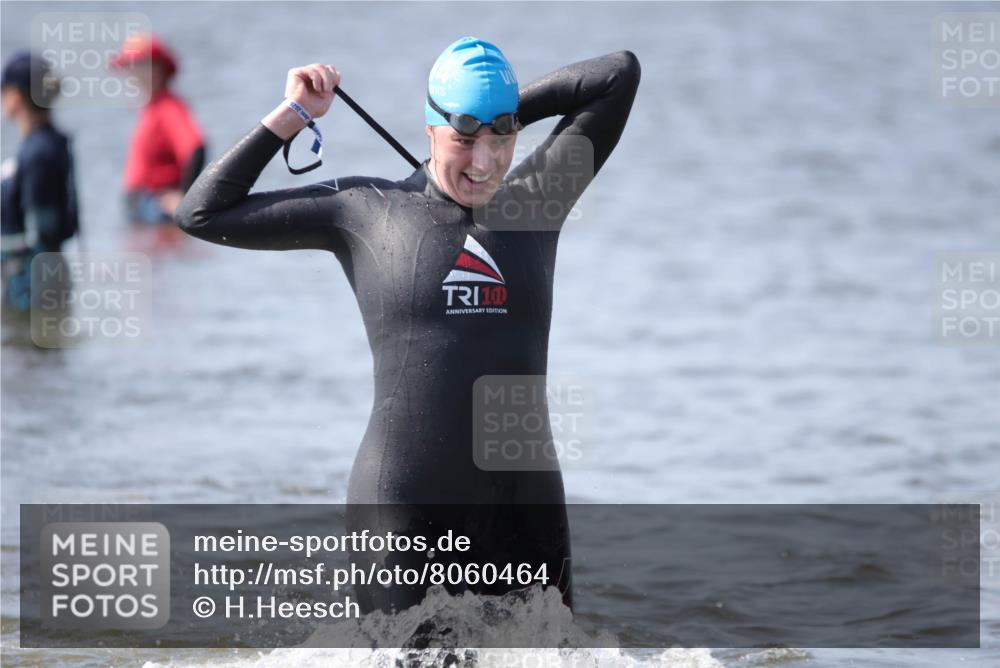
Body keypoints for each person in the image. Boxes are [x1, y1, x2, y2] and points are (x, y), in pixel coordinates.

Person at [176, 37, 640, 615]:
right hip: (406, 503)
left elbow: (617, 75)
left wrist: (498, 106)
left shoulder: (539, 200)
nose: (485, 161)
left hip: (524, 500)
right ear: (429, 127)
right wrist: (294, 115)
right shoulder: (364, 210)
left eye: (504, 138)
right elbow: (201, 212)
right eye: (463, 140)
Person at [110, 33, 205, 250]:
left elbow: (197, 147)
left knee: (160, 273)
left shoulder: (168, 107)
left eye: (136, 67)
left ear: (157, 70)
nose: (130, 75)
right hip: (143, 207)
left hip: (157, 208)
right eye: (128, 68)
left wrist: (185, 198)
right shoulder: (151, 107)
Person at [1, 51, 78, 314]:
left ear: (16, 96)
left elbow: (41, 234)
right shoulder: (50, 143)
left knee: (27, 352)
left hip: (33, 285)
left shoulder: (38, 154)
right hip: (43, 279)